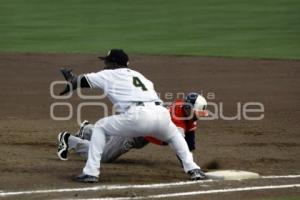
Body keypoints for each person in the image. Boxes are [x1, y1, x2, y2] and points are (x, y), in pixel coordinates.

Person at [58, 49, 206, 183]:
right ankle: (193, 169)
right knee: (175, 136)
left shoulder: (108, 74)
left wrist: (71, 80)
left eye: (106, 61)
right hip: (161, 114)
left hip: (138, 115)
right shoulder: (140, 76)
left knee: (101, 127)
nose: (105, 64)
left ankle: (91, 172)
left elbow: (80, 81)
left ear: (113, 63)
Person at [57, 93, 208, 164]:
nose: (195, 116)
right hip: (135, 131)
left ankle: (88, 130)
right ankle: (69, 140)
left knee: (111, 140)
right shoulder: (177, 115)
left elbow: (189, 146)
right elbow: (180, 148)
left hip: (144, 136)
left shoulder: (188, 116)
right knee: (104, 156)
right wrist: (192, 168)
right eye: (195, 112)